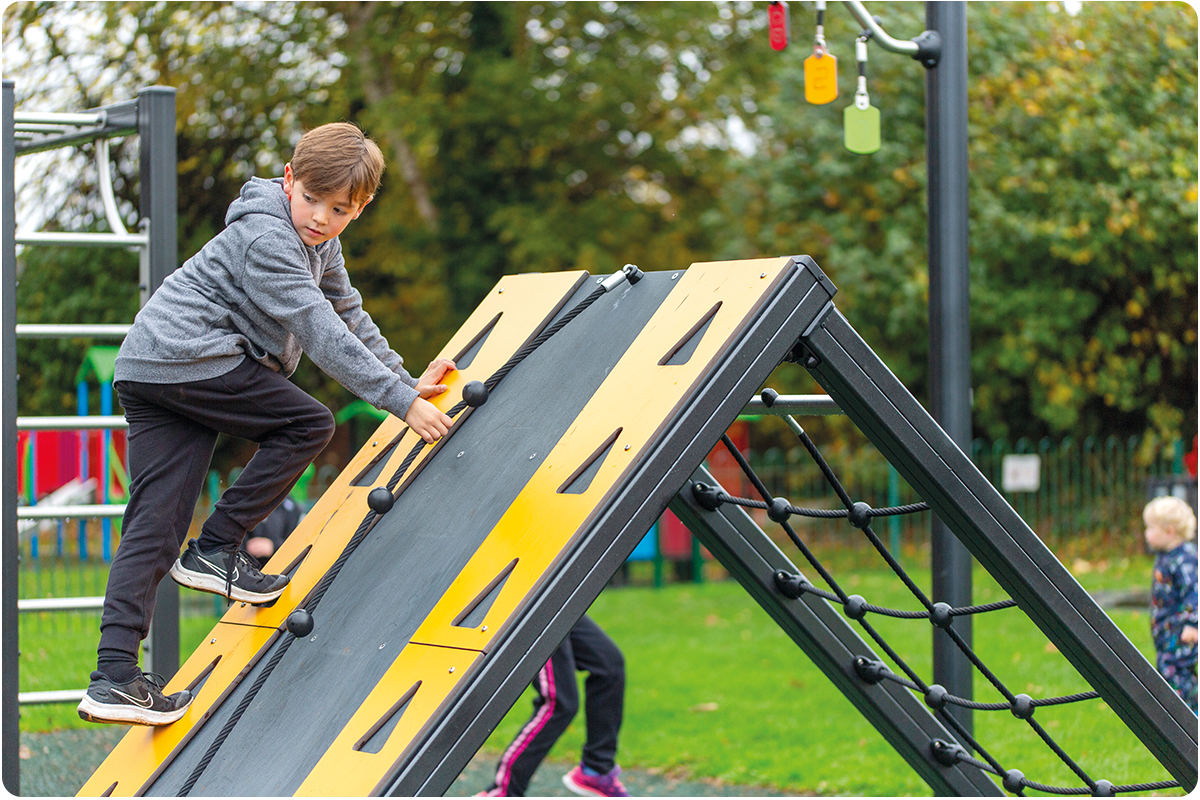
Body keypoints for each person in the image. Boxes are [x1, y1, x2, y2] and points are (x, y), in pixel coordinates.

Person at [77, 122, 456, 727]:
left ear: (359, 210)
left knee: (156, 523)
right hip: (191, 357)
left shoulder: (319, 243)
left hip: (154, 367)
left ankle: (114, 676)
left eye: (339, 211)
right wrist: (398, 401)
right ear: (288, 180)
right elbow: (317, 327)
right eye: (310, 199)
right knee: (306, 424)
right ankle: (218, 549)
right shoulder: (267, 238)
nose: (320, 219)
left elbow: (347, 311)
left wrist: (405, 380)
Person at [479, 615, 630, 798]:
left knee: (609, 668)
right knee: (559, 703)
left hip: (560, 601)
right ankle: (503, 792)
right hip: (530, 606)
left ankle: (596, 769)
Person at [1143, 495, 1198, 713]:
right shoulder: (1166, 556)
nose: (1146, 533)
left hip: (1181, 634)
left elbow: (1194, 592)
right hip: (1167, 636)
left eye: (1150, 528)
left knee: (1178, 677)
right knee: (1168, 674)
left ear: (1169, 531)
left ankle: (1189, 718)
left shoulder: (1185, 559)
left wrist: (1193, 625)